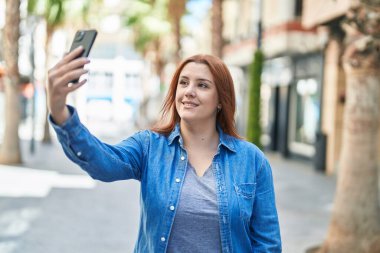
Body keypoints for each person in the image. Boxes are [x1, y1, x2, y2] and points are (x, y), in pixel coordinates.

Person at [47, 46, 282, 252]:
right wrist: (60, 112)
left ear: (221, 100)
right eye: (183, 82)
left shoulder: (251, 160)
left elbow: (268, 244)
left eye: (202, 85)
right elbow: (103, 163)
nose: (189, 91)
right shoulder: (150, 147)